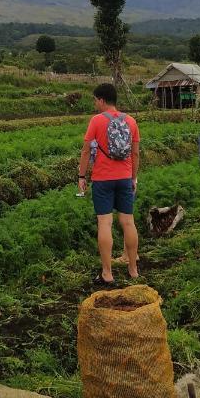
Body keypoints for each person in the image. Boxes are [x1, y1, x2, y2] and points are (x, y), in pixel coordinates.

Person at [78, 83, 140, 286]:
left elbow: (86, 151)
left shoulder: (96, 121)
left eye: (95, 100)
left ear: (102, 100)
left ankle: (107, 273)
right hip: (125, 177)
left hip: (103, 179)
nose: (95, 104)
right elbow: (135, 153)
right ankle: (133, 269)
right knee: (128, 222)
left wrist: (81, 177)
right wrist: (133, 178)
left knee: (105, 223)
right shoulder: (131, 121)